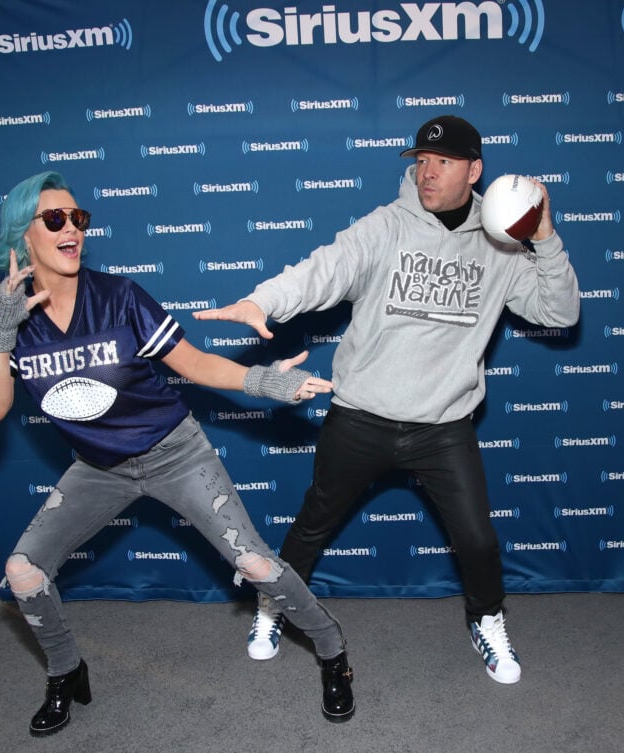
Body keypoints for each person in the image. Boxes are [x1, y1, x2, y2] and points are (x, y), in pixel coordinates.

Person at [194, 115, 580, 685]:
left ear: (474, 170)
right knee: (312, 522)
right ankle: (274, 604)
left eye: (442, 162)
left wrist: (543, 236)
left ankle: (487, 618)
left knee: (477, 538)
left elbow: (561, 313)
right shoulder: (385, 227)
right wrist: (265, 301)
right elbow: (324, 269)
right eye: (420, 161)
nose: (427, 172)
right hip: (362, 417)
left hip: (442, 426)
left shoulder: (502, 247)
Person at [0, 171, 356, 737]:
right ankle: (65, 671)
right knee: (22, 571)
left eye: (78, 219)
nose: (71, 229)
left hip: (175, 452)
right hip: (98, 468)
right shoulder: (15, 321)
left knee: (254, 563)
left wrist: (266, 384)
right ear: (21, 238)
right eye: (54, 220)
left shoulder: (119, 297)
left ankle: (332, 650)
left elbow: (195, 365)